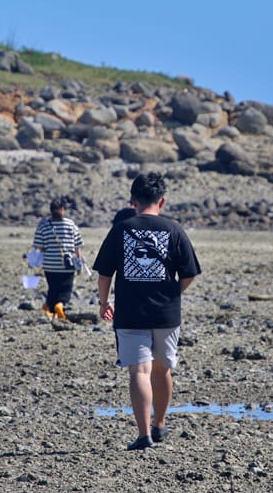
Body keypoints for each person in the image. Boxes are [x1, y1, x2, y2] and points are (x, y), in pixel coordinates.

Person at [93, 172, 201, 451]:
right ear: (161, 201)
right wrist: (172, 294)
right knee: (163, 369)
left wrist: (104, 302)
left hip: (130, 311)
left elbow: (105, 273)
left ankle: (144, 436)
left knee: (139, 372)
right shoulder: (174, 229)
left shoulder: (122, 228)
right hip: (166, 313)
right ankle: (160, 424)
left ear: (133, 200)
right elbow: (189, 273)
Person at [32, 197, 85, 320]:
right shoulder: (71, 225)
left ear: (51, 210)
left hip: (50, 264)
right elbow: (77, 246)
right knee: (65, 289)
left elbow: (38, 246)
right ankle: (60, 305)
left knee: (53, 288)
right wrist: (79, 261)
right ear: (62, 209)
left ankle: (51, 311)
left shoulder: (44, 226)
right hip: (67, 264)